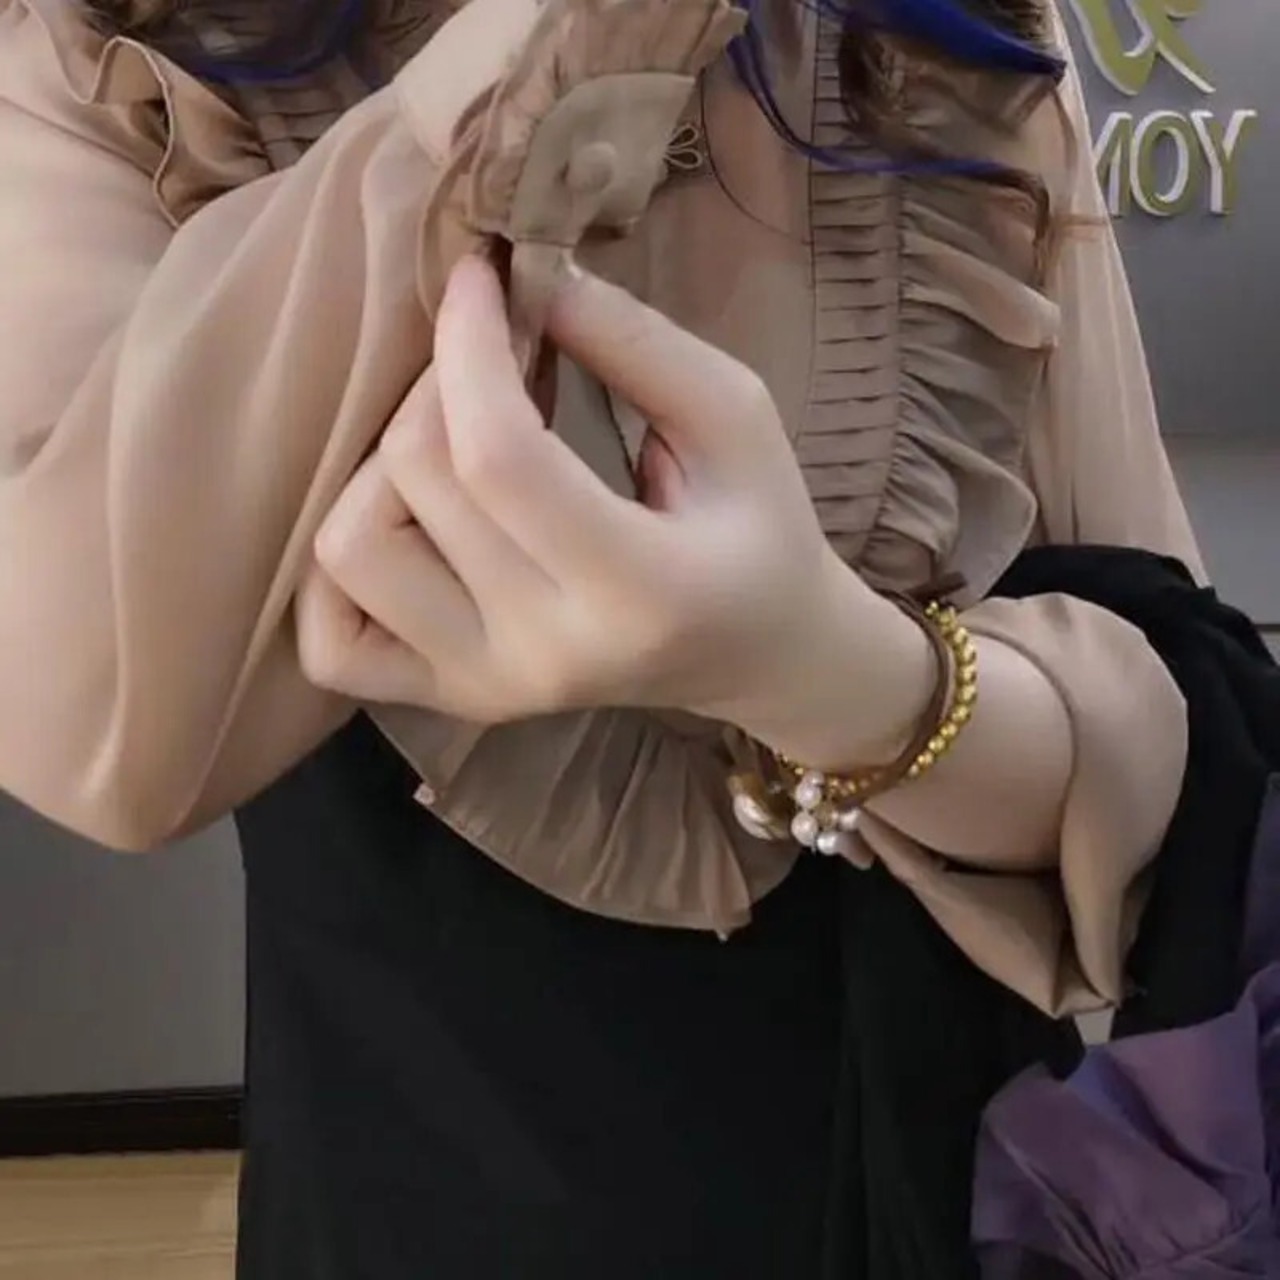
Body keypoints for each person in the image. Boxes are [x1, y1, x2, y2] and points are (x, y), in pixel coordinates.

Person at [0, 0, 1207, 1273]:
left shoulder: (936, 35)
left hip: (962, 1182)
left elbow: (1175, 741)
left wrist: (833, 673)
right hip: (426, 1184)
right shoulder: (108, 53)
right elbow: (100, 724)